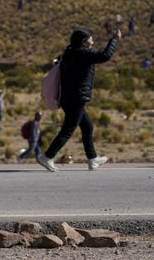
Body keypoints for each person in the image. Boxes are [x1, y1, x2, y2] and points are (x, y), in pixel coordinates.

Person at [37, 28, 120, 172]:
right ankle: (47, 156)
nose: (92, 41)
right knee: (68, 130)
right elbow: (105, 55)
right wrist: (114, 40)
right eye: (90, 39)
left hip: (68, 98)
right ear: (83, 41)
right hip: (76, 98)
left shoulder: (69, 53)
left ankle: (92, 159)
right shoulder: (81, 54)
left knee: (87, 126)